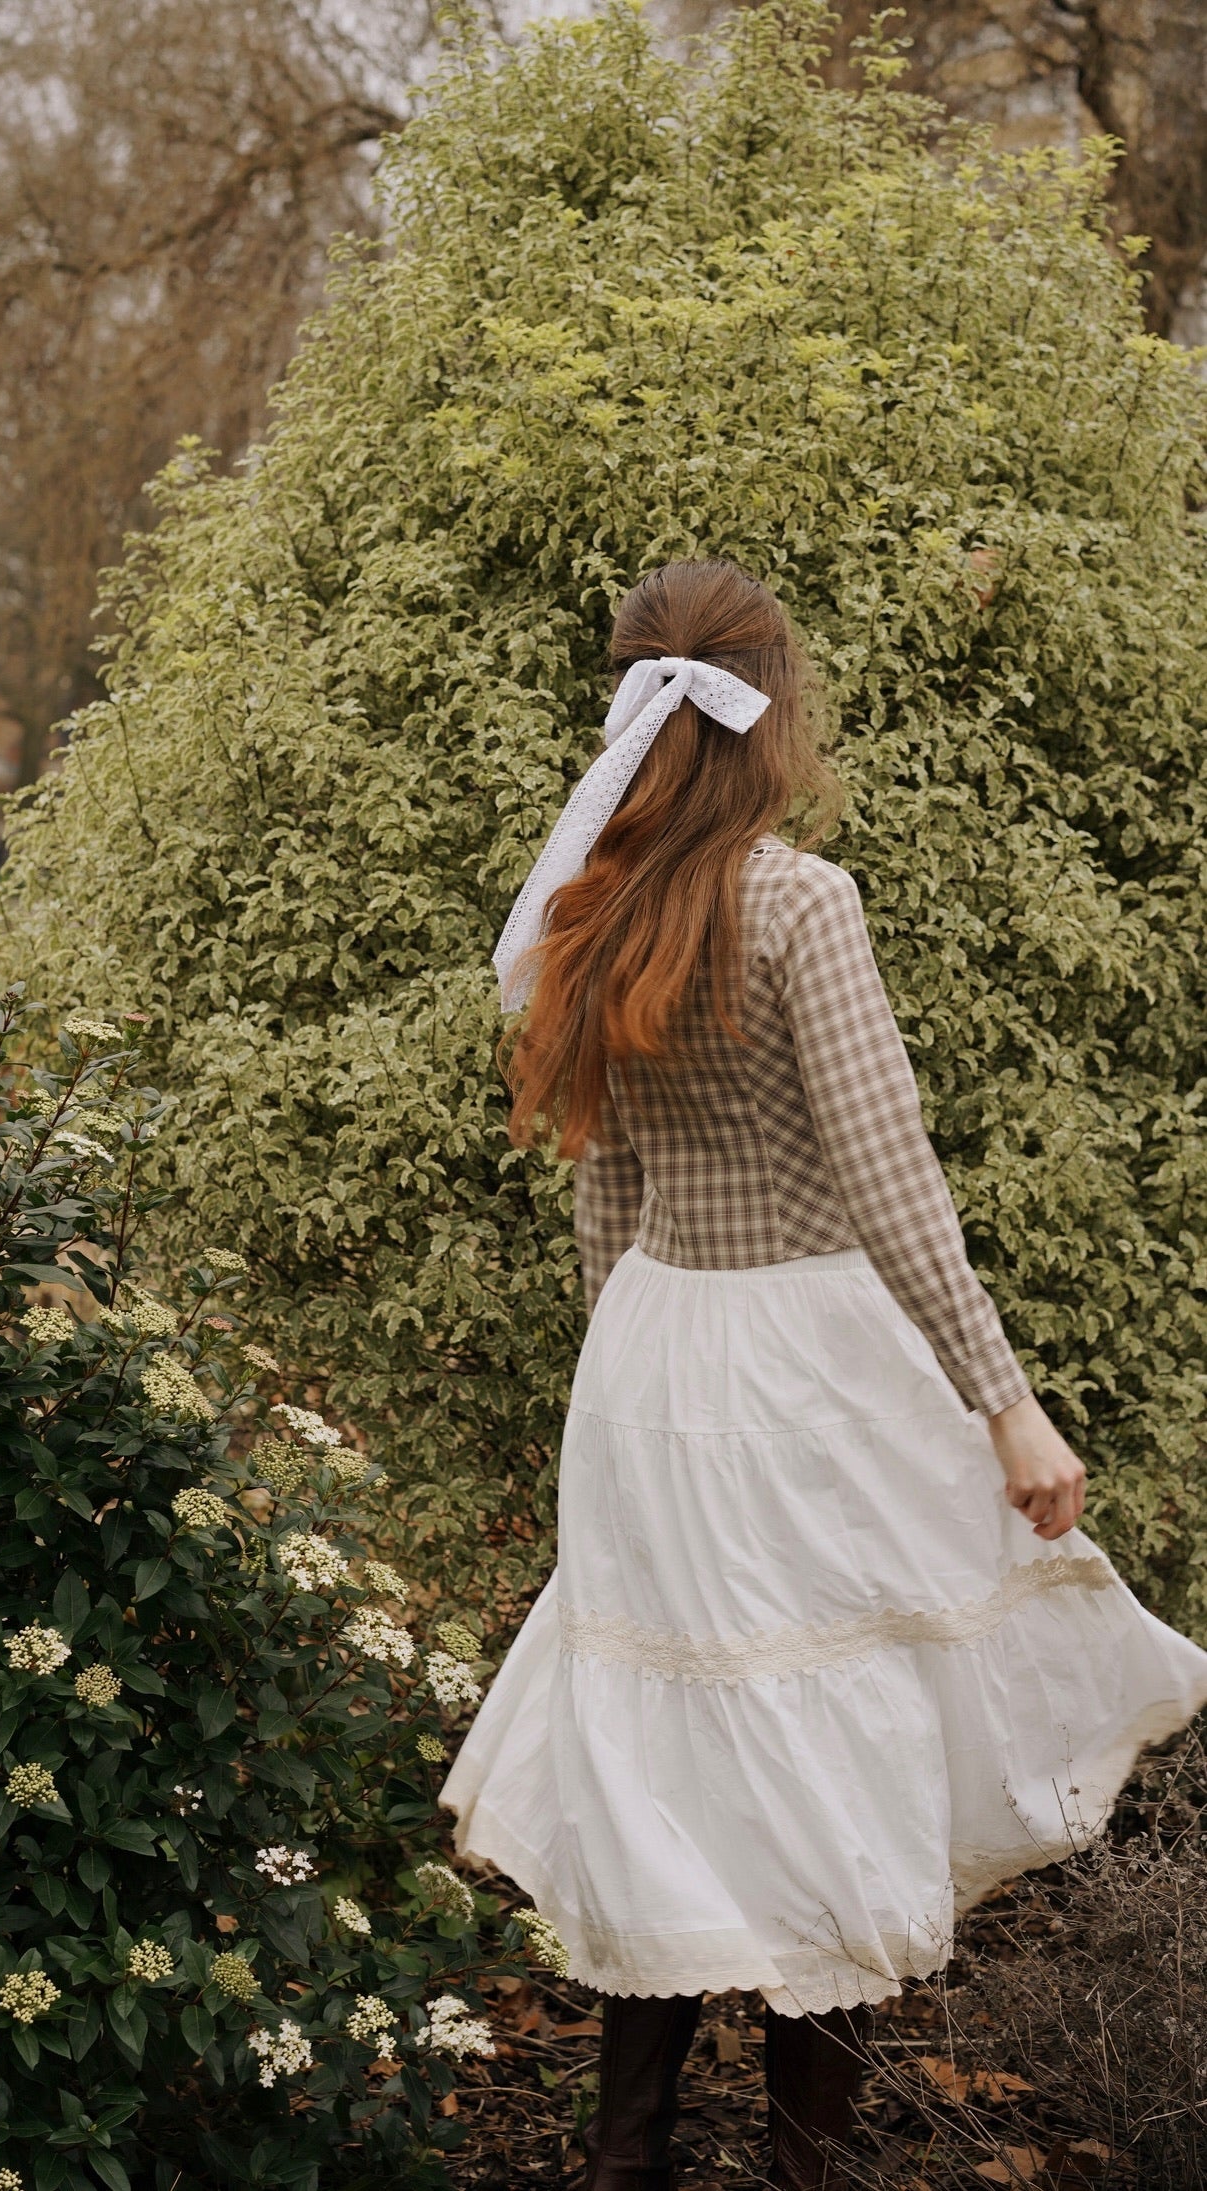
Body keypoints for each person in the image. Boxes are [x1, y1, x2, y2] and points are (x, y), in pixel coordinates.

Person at [441, 559, 1207, 2191]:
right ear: (768, 712)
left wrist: (618, 1397)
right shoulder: (797, 904)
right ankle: (803, 2172)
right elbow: (890, 1178)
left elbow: (602, 1187)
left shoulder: (593, 902)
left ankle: (625, 2157)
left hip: (650, 1354)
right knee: (827, 1741)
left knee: (664, 1742)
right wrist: (1003, 1399)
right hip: (801, 1364)